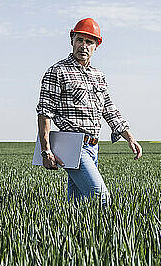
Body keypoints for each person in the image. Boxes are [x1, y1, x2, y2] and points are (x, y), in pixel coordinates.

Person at [36, 17, 143, 205]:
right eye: (80, 40)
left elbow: (109, 109)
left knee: (78, 205)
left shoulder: (98, 76)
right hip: (71, 146)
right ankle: (110, 233)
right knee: (102, 199)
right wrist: (46, 151)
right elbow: (45, 112)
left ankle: (69, 234)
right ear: (72, 40)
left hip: (93, 146)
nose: (83, 46)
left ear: (96, 46)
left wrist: (130, 138)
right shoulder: (57, 71)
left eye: (89, 42)